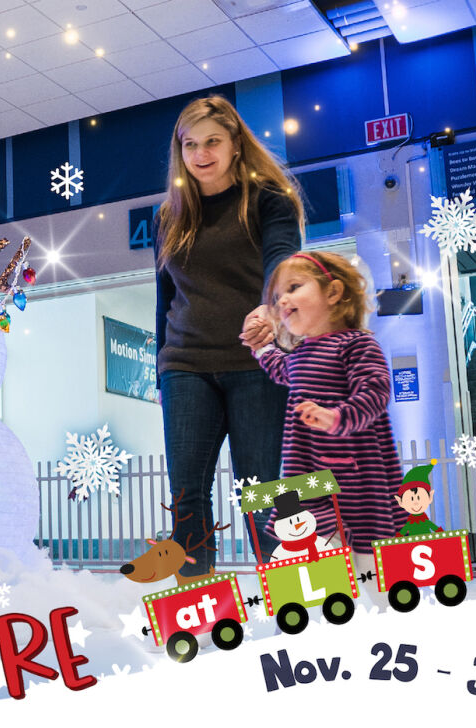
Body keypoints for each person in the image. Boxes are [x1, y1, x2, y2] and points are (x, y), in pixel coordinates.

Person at [154, 95, 304, 576]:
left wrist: (271, 309)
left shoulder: (268, 198)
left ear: (236, 143)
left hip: (256, 364)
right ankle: (196, 608)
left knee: (262, 492)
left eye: (212, 141)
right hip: (185, 366)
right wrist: (161, 369)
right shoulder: (170, 215)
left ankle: (293, 598)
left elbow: (283, 262)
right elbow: (164, 297)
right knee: (187, 494)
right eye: (190, 144)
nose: (201, 154)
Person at [243, 251, 405, 557]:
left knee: (366, 558)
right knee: (302, 548)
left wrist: (336, 417)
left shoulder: (356, 343)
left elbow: (375, 391)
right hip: (307, 472)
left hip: (351, 476)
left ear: (333, 292)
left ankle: (379, 601)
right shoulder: (301, 353)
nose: (281, 301)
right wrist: (262, 347)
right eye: (277, 296)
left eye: (293, 288)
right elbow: (280, 368)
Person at [395, 460, 444, 536]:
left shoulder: (425, 520)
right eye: (411, 499)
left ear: (430, 497)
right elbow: (403, 531)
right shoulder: (410, 522)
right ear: (400, 502)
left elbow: (434, 527)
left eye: (419, 498)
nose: (415, 503)